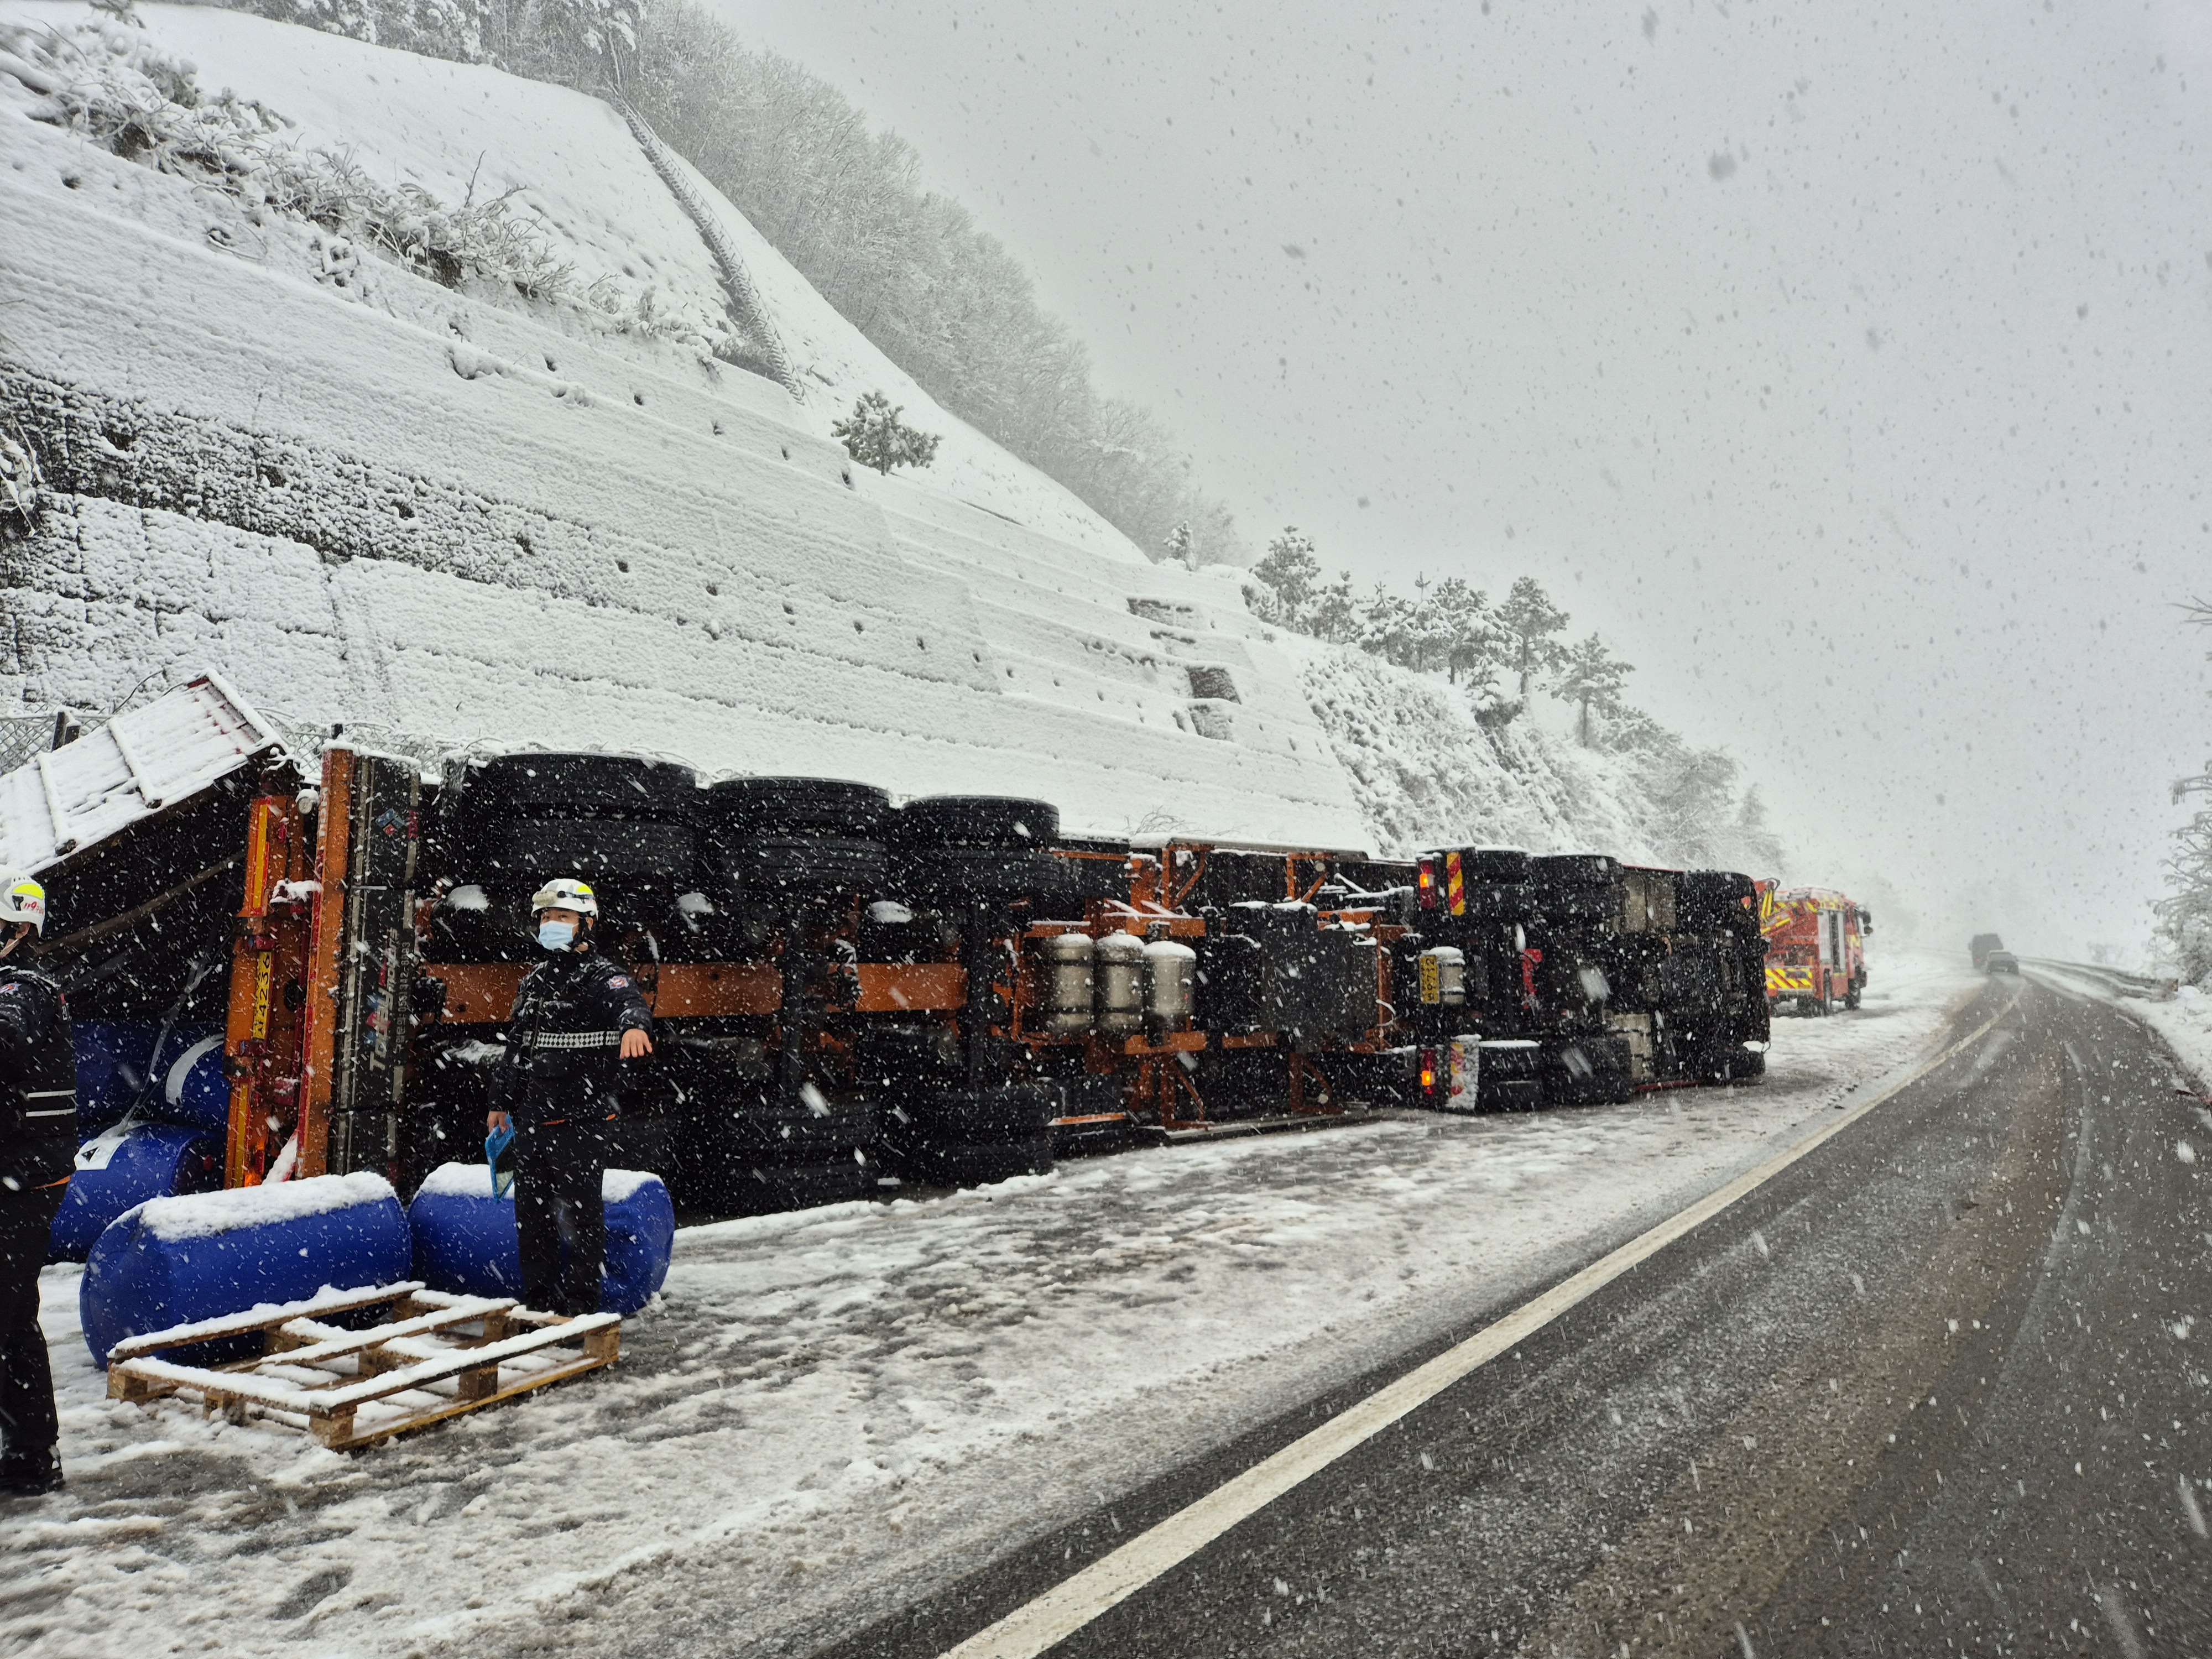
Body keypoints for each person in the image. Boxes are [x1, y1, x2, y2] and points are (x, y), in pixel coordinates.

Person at [486, 879, 651, 1317]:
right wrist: (499, 1103)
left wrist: (635, 1025)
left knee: (581, 1219)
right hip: (531, 1120)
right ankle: (539, 1303)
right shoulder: (536, 980)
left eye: (561, 917)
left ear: (587, 924)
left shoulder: (602, 976)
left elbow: (630, 1003)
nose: (550, 924)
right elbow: (517, 1047)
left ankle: (581, 1308)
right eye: (545, 917)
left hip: (580, 1121)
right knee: (532, 1219)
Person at [0, 872, 72, 1498]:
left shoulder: (21, 988)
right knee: (14, 1314)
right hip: (18, 1171)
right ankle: (28, 1454)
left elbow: (7, 1040)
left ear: (18, 929)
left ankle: (30, 1452)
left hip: (24, 1178)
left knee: (7, 1312)